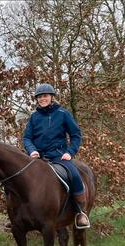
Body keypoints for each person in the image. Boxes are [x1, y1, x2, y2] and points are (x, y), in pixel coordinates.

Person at [23, 83, 90, 229]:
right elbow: (27, 138)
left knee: (74, 174)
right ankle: (18, 215)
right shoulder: (34, 117)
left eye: (45, 96)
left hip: (59, 156)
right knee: (19, 177)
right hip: (38, 158)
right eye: (39, 97)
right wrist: (32, 151)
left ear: (52, 97)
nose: (42, 99)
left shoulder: (63, 114)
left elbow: (76, 135)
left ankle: (80, 212)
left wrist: (70, 152)